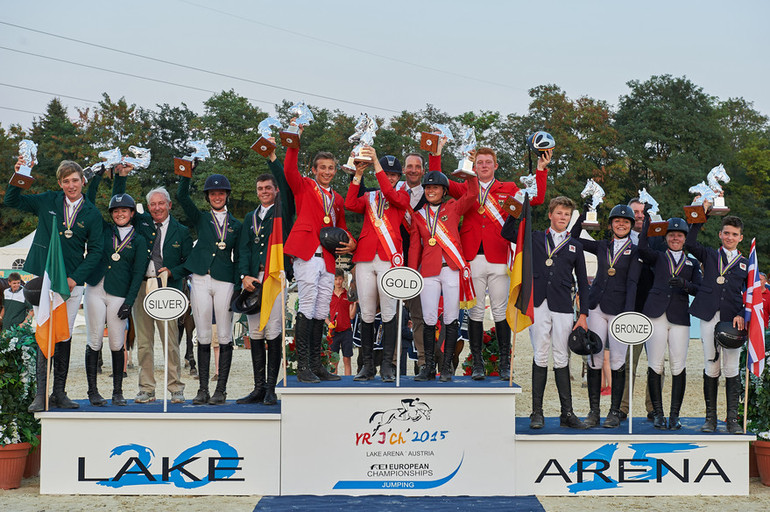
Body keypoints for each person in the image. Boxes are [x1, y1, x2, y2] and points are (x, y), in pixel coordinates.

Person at [441, 144, 550, 380]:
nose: (483, 166)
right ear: (474, 165)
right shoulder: (464, 187)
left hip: (499, 255)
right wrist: (436, 153)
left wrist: (541, 170)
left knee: (500, 310)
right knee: (476, 311)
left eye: (487, 162)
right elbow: (440, 182)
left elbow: (538, 198)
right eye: (479, 162)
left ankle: (504, 362)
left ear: (495, 165)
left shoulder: (508, 188)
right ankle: (477, 361)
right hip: (471, 256)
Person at [6, 158, 104, 411]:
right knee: (44, 332)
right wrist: (19, 176)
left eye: (75, 180)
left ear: (83, 181)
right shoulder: (48, 200)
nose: (71, 185)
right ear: (59, 183)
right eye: (66, 181)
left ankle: (59, 392)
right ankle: (41, 394)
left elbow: (95, 251)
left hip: (71, 283)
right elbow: (12, 201)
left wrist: (75, 277)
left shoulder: (92, 212)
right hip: (45, 279)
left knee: (63, 335)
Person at [502, 196, 589, 429]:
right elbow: (508, 234)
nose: (563, 217)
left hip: (562, 305)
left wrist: (583, 314)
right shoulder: (535, 238)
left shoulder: (575, 246)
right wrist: (516, 209)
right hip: (538, 303)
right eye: (559, 213)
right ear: (550, 214)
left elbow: (582, 281)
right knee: (540, 354)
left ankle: (567, 413)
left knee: (561, 357)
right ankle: (536, 412)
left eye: (567, 215)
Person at [282, 121, 356, 383]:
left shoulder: (336, 198)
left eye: (330, 168)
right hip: (306, 254)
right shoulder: (303, 186)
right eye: (322, 168)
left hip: (327, 258)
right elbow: (289, 168)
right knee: (308, 304)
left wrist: (352, 243)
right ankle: (303, 366)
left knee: (321, 309)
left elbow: (342, 228)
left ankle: (318, 364)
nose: (326, 172)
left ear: (335, 171)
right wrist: (295, 138)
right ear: (313, 170)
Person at [112, 166, 192, 404]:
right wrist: (121, 177)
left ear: (169, 205)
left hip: (168, 288)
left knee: (170, 341)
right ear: (147, 208)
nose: (157, 208)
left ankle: (175, 387)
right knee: (144, 341)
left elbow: (189, 263)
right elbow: (119, 205)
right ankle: (147, 388)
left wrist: (173, 271)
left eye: (161, 203)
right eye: (152, 205)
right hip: (142, 288)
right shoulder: (143, 223)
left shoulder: (183, 231)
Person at [571, 203, 641, 428]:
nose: (621, 224)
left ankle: (614, 411)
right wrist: (585, 211)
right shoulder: (602, 246)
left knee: (618, 360)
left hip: (621, 309)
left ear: (631, 226)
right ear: (611, 224)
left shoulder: (635, 249)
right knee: (595, 358)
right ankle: (594, 411)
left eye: (626, 222)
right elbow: (575, 238)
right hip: (597, 307)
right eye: (617, 221)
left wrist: (629, 312)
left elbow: (632, 282)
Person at [408, 166, 479, 382]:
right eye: (428, 187)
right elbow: (414, 247)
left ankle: (447, 366)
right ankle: (429, 366)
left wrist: (470, 175)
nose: (431, 191)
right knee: (429, 319)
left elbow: (473, 194)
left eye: (436, 187)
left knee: (450, 318)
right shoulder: (418, 216)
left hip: (451, 269)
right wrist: (412, 272)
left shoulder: (453, 207)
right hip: (428, 271)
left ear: (444, 191)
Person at [84, 173, 148, 406]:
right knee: (94, 341)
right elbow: (89, 202)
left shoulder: (139, 240)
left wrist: (129, 303)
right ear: (111, 214)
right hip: (95, 289)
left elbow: (138, 273)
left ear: (132, 213)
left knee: (116, 343)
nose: (120, 213)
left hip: (120, 294)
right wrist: (97, 177)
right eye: (116, 210)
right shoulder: (103, 229)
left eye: (125, 210)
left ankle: (117, 391)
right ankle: (93, 391)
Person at [178, 169, 242, 404]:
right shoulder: (202, 219)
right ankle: (202, 389)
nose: (217, 197)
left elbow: (240, 255)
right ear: (208, 196)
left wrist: (238, 283)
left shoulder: (236, 224)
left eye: (221, 193)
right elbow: (182, 197)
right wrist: (186, 170)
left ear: (226, 195)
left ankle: (221, 390)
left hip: (224, 280)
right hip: (201, 279)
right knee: (202, 333)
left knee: (224, 334)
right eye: (213, 193)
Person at [345, 148, 409, 381]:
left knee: (390, 312)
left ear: (398, 177)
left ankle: (387, 366)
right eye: (386, 173)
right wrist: (358, 175)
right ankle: (368, 365)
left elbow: (392, 196)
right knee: (367, 312)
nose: (390, 177)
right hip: (365, 258)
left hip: (389, 258)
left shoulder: (403, 195)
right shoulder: (370, 196)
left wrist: (377, 166)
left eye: (394, 174)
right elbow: (351, 203)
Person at [687, 212, 748, 434]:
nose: (730, 237)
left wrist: (742, 312)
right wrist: (703, 215)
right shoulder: (710, 255)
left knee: (731, 367)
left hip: (733, 319)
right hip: (709, 315)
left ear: (740, 237)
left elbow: (750, 294)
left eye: (734, 234)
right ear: (720, 234)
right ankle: (710, 418)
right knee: (711, 365)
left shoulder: (746, 263)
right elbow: (690, 243)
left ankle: (732, 418)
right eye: (726, 233)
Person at [638, 215, 701, 429]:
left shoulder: (691, 262)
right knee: (655, 364)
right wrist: (647, 225)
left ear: (684, 239)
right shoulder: (658, 256)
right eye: (672, 235)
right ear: (666, 238)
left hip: (679, 317)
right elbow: (642, 250)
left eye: (679, 235)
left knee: (678, 365)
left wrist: (685, 284)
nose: (675, 238)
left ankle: (675, 414)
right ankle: (658, 413)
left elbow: (699, 288)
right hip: (655, 314)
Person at [236, 172, 291, 406]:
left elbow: (287, 187)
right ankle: (258, 387)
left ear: (276, 190)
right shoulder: (250, 216)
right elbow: (244, 248)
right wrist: (244, 276)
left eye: (268, 188)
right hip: (253, 278)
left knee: (273, 330)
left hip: (274, 276)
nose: (264, 192)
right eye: (260, 188)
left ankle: (271, 388)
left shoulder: (282, 213)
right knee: (256, 331)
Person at [621, 198, 661, 420]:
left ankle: (654, 408)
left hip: (656, 310)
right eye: (635, 212)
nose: (639, 215)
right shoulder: (620, 238)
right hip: (631, 309)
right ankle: (623, 408)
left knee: (656, 364)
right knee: (628, 363)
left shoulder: (659, 240)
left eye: (643, 212)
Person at [400, 152, 429, 374]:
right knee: (391, 315)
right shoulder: (391, 192)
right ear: (404, 169)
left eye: (417, 166)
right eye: (409, 166)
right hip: (391, 261)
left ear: (422, 170)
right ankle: (390, 364)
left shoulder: (429, 194)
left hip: (419, 264)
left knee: (418, 315)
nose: (412, 170)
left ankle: (423, 362)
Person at [327, 269, 355, 376]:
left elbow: (351, 315)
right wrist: (329, 323)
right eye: (335, 279)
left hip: (346, 332)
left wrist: (355, 304)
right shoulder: (329, 295)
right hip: (333, 332)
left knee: (347, 359)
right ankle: (334, 383)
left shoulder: (348, 295)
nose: (338, 282)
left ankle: (348, 384)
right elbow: (324, 314)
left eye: (340, 279)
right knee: (333, 361)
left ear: (343, 279)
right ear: (332, 280)